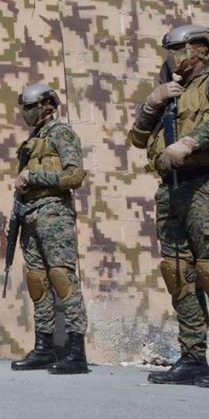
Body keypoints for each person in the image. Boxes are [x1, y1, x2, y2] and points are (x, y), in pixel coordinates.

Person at [129, 25, 209, 386]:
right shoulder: (172, 92)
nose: (175, 58)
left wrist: (191, 142)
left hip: (204, 184)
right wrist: (152, 103)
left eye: (181, 49)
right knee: (179, 274)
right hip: (172, 190)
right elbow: (138, 138)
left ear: (201, 49)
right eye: (171, 51)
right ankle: (193, 357)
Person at [8, 83, 89, 375]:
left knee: (62, 278)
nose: (26, 113)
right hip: (30, 214)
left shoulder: (61, 133)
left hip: (54, 213)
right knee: (38, 282)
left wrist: (34, 176)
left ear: (47, 106)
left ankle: (77, 353)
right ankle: (44, 348)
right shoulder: (32, 140)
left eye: (31, 107)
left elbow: (74, 176)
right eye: (24, 108)